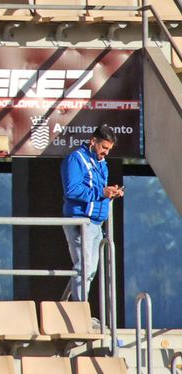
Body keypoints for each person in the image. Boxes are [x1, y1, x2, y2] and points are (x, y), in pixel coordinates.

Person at [61, 126, 120, 302]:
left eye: (108, 149)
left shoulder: (101, 163)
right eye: (104, 147)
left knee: (90, 269)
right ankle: (79, 310)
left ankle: (75, 308)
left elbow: (98, 190)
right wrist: (102, 192)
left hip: (96, 223)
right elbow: (72, 190)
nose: (105, 153)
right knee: (84, 266)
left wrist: (112, 193)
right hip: (80, 220)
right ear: (93, 141)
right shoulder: (75, 159)